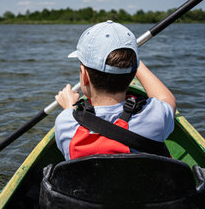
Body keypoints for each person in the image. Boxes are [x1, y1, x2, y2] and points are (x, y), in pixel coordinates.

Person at [55, 20, 176, 160]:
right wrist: (135, 63)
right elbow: (167, 99)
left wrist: (69, 106)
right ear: (133, 73)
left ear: (84, 75)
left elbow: (72, 119)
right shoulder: (156, 116)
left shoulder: (65, 122)